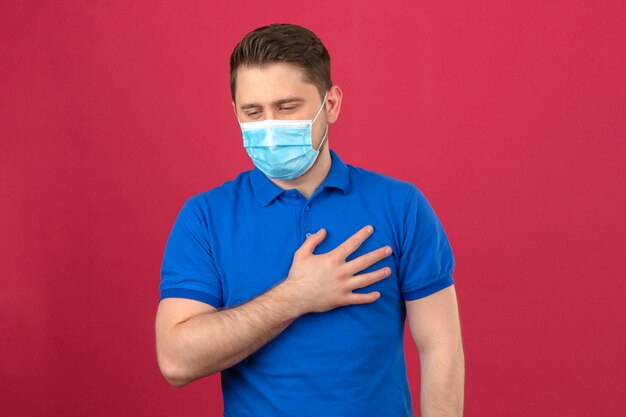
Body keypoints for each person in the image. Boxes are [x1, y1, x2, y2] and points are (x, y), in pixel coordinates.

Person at [155, 23, 464, 417]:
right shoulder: (205, 218)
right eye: (253, 112)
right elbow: (176, 361)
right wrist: (296, 296)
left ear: (330, 104)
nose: (269, 126)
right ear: (235, 113)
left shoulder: (401, 205)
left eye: (287, 108)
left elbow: (441, 346)